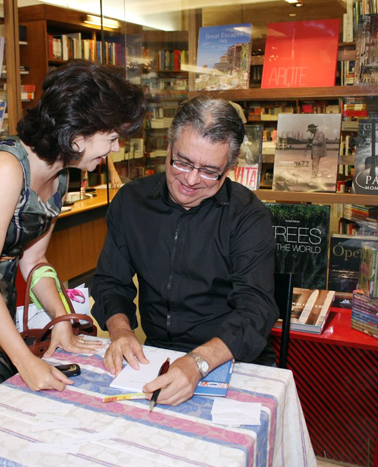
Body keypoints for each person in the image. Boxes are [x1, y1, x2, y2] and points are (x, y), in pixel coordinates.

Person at [0, 61, 146, 406]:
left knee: (7, 382)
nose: (115, 149)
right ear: (78, 135)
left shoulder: (61, 175)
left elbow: (34, 259)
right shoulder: (5, 171)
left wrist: (61, 318)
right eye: (111, 138)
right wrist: (26, 362)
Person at [91, 95, 279, 408]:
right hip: (157, 357)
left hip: (230, 359)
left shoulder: (247, 216)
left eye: (209, 171)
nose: (190, 180)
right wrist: (121, 331)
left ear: (229, 167)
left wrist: (197, 363)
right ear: (168, 146)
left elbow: (256, 309)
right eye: (182, 162)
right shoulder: (132, 202)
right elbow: (111, 281)